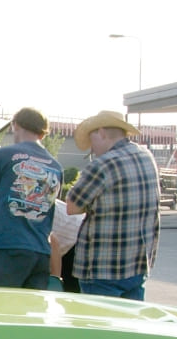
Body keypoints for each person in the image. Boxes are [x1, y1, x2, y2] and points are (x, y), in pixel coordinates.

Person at [66, 109, 161, 300]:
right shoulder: (146, 156)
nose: (92, 150)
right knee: (128, 326)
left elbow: (72, 206)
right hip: (138, 264)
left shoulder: (103, 165)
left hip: (103, 269)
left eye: (92, 143)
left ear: (101, 132)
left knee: (98, 326)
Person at [0, 107, 62, 289]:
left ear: (15, 125)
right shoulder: (56, 166)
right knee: (29, 314)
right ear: (42, 133)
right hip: (41, 253)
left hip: (7, 248)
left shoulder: (2, 155)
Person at [49, 198, 85, 292]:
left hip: (75, 239)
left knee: (72, 297)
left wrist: (55, 282)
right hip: (71, 236)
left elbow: (52, 240)